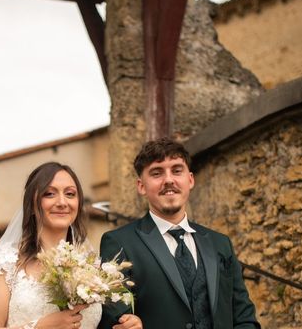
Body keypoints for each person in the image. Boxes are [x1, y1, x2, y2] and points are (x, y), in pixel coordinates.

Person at [98, 138, 261, 329]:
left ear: (190, 180)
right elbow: (114, 317)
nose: (168, 180)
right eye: (157, 173)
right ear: (141, 186)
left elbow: (244, 319)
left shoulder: (221, 243)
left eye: (176, 170)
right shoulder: (118, 243)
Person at [0, 162, 135, 329]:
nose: (62, 202)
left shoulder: (90, 267)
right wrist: (40, 327)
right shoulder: (7, 263)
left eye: (70, 194)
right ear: (31, 206)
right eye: (49, 194)